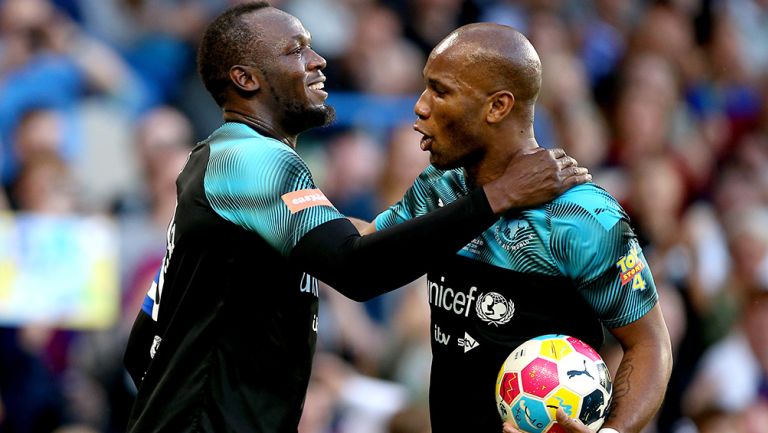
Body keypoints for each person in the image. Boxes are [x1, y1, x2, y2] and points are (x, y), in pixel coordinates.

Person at [122, 3, 591, 433]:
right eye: (296, 50)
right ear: (247, 79)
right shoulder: (253, 160)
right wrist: (500, 195)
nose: (318, 60)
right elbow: (358, 267)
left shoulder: (220, 161)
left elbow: (143, 343)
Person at [363, 24, 673, 433]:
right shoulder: (441, 187)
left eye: (440, 91)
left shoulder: (581, 216)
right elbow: (368, 250)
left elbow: (649, 343)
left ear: (497, 107)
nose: (420, 106)